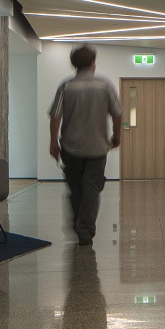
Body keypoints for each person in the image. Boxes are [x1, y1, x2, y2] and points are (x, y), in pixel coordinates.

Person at [48, 45, 123, 246]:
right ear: (93, 63)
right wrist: (116, 136)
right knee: (91, 188)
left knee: (75, 188)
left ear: (74, 64)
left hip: (70, 147)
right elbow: (117, 113)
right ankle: (86, 231)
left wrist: (53, 141)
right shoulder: (105, 85)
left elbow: (55, 115)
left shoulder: (66, 86)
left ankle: (76, 223)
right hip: (98, 147)